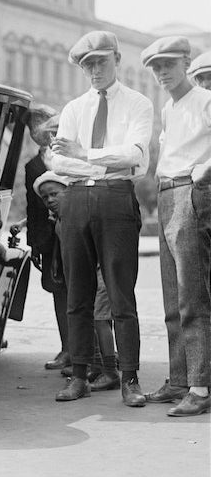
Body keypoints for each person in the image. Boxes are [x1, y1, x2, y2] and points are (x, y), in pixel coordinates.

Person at [51, 30, 153, 406]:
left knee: (121, 294)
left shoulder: (138, 104)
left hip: (116, 198)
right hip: (76, 199)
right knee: (78, 293)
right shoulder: (74, 108)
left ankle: (129, 378)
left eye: (100, 61)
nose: (94, 70)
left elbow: (134, 155)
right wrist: (93, 155)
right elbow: (58, 161)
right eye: (87, 64)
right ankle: (79, 376)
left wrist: (85, 152)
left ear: (117, 59)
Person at [141, 36, 211, 416]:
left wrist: (206, 169)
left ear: (186, 62)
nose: (162, 72)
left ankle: (200, 388)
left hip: (191, 191)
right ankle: (180, 379)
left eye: (168, 64)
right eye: (156, 67)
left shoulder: (204, 99)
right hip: (168, 192)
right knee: (172, 296)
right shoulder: (169, 109)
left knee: (192, 295)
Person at [33, 171, 120, 395]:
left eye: (55, 194)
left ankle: (111, 371)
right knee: (88, 318)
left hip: (101, 273)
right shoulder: (60, 220)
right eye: (45, 198)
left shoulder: (80, 215)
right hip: (87, 275)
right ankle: (96, 364)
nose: (50, 200)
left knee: (101, 320)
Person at [19, 104, 69, 370]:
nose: (37, 130)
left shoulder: (70, 157)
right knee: (58, 292)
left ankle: (96, 352)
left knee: (86, 291)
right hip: (49, 241)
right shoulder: (32, 166)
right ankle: (67, 348)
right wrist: (35, 244)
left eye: (41, 122)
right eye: (31, 125)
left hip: (74, 233)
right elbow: (32, 206)